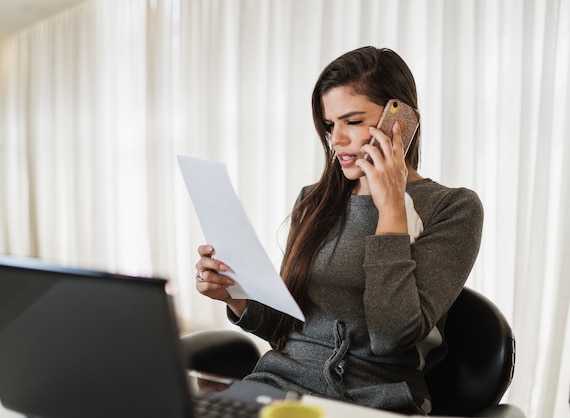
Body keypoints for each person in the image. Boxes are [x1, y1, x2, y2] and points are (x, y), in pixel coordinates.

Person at [193, 46, 483, 415]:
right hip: (277, 389)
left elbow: (391, 337)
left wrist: (391, 207)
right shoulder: (313, 201)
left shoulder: (453, 208)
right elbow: (289, 329)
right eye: (331, 125)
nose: (337, 140)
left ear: (402, 120)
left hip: (373, 401)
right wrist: (234, 294)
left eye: (352, 121)